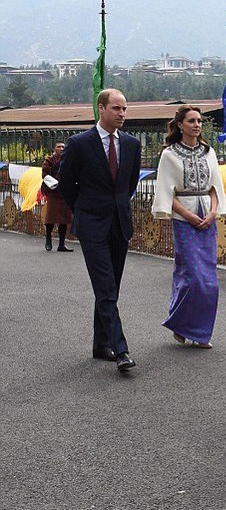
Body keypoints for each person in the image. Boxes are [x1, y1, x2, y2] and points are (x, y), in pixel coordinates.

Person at [58, 88, 142, 372]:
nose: (121, 114)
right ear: (101, 108)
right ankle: (121, 349)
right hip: (92, 225)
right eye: (116, 108)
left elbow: (130, 184)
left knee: (111, 287)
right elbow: (66, 184)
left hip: (119, 223)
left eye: (124, 109)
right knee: (105, 286)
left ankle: (100, 344)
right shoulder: (80, 143)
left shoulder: (131, 144)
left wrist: (117, 205)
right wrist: (84, 210)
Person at [151, 106, 226, 348]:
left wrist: (213, 211)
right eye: (191, 121)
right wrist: (188, 214)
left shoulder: (209, 152)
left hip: (207, 216)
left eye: (199, 121)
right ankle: (182, 323)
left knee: (209, 281)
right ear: (180, 125)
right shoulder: (170, 154)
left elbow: (216, 187)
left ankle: (199, 332)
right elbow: (166, 191)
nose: (197, 125)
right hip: (184, 219)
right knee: (192, 276)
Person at [41, 141, 73, 253]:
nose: (61, 148)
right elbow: (44, 174)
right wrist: (55, 184)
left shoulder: (68, 160)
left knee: (64, 219)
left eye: (63, 147)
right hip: (53, 191)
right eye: (59, 147)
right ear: (54, 149)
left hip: (64, 192)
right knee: (51, 217)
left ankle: (61, 244)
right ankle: (48, 238)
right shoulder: (49, 160)